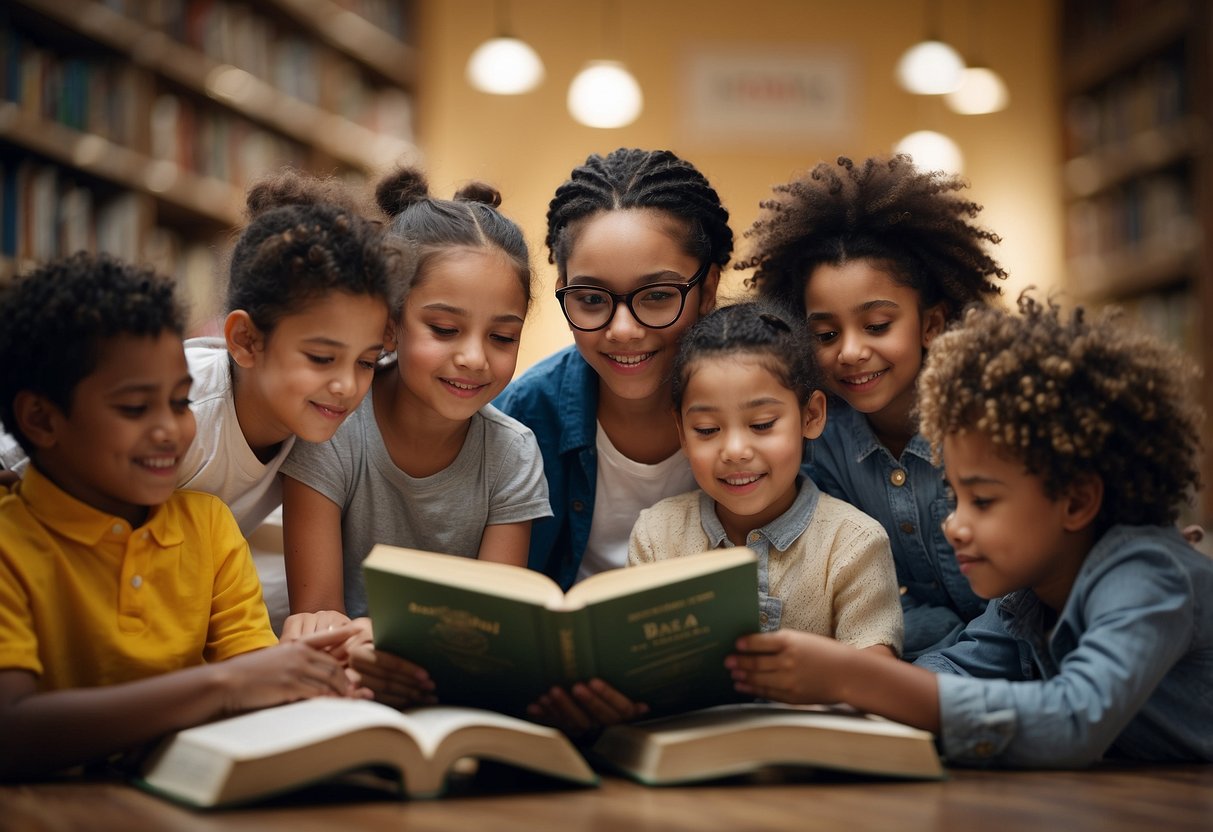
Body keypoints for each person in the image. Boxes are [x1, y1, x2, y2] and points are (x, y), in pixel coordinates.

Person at [726, 293, 1213, 767]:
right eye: (955, 497)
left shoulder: (1148, 575)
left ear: (1078, 500)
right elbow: (953, 670)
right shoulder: (1025, 596)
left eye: (982, 501)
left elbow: (1073, 720)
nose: (955, 525)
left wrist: (856, 678)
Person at [0, 253, 362, 780]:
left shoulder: (210, 528)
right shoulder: (10, 542)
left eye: (179, 401)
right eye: (133, 408)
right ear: (40, 417)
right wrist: (227, 685)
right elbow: (12, 733)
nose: (170, 429)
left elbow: (260, 684)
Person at [494, 147, 731, 733]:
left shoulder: (766, 412)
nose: (623, 330)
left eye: (657, 295)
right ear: (563, 288)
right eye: (592, 299)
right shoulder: (521, 418)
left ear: (709, 289)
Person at [741, 154, 1006, 658]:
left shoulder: (990, 421)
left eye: (878, 325)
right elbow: (857, 601)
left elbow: (1028, 597)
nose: (851, 351)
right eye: (825, 333)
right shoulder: (820, 442)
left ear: (931, 325)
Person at [279, 168, 550, 654]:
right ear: (390, 324)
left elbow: (491, 624)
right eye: (445, 329)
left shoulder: (513, 453)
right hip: (345, 676)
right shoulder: (333, 425)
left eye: (503, 337)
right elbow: (319, 613)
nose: (474, 357)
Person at [630, 301, 903, 655]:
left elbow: (876, 679)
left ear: (811, 415)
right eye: (707, 429)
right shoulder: (657, 536)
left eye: (761, 425)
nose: (735, 450)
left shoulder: (854, 544)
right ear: (681, 431)